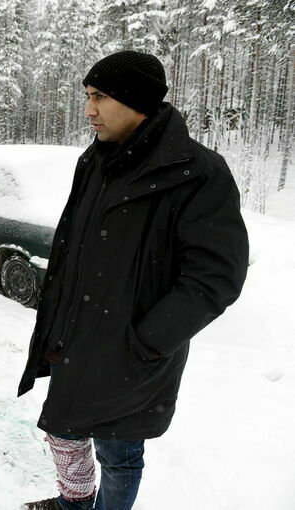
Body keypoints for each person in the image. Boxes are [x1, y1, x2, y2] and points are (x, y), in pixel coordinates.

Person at [18, 51, 249, 509]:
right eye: (88, 96)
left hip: (131, 350)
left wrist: (145, 340)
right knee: (62, 428)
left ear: (136, 100)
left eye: (99, 97)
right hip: (76, 333)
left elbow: (216, 276)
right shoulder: (95, 161)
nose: (89, 110)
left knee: (119, 450)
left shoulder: (199, 173)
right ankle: (75, 502)